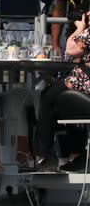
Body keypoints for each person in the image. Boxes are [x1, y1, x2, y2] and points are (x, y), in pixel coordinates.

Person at [34, 9, 90, 172]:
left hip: (84, 86)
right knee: (61, 97)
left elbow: (71, 49)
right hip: (82, 85)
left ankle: (44, 155)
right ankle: (77, 155)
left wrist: (80, 27)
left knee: (49, 96)